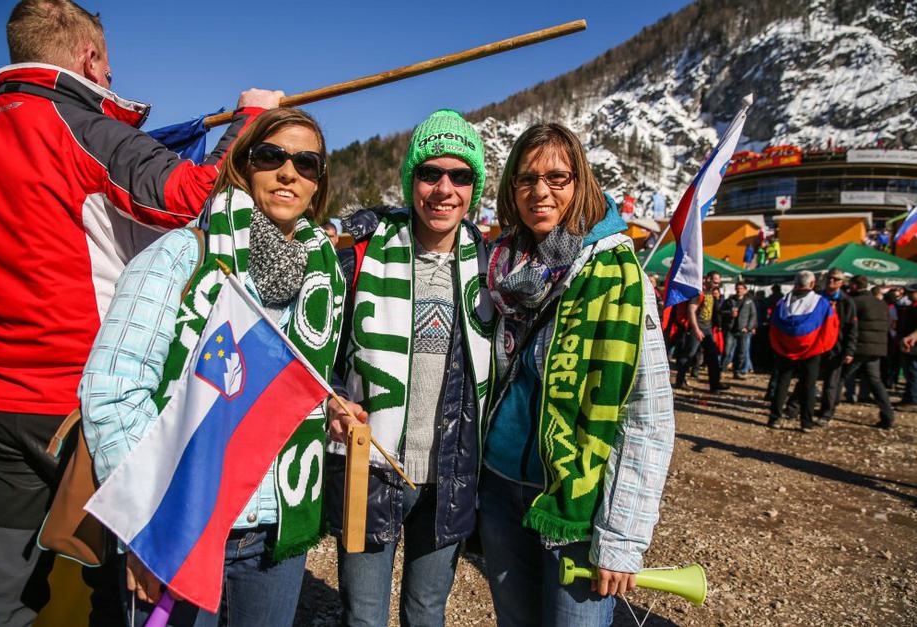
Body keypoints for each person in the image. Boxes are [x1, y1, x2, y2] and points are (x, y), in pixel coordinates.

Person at [0, 2, 282, 624]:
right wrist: (252, 122)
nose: (111, 79)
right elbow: (195, 199)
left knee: (0, 589)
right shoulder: (79, 127)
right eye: (109, 68)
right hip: (79, 406)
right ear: (89, 59)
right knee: (118, 585)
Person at [81, 107, 343, 625]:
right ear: (243, 166)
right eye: (271, 156)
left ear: (318, 184)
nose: (288, 173)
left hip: (275, 528)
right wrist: (147, 525)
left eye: (306, 164)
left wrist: (330, 404)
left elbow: (288, 381)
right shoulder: (182, 256)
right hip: (182, 522)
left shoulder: (324, 277)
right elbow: (111, 392)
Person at [478, 123, 674, 626]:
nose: (540, 191)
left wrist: (622, 539)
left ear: (580, 182)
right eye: (526, 179)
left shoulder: (618, 274)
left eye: (557, 178)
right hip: (500, 487)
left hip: (576, 505)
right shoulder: (502, 264)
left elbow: (648, 415)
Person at [324, 110, 494, 627]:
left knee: (426, 613)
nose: (444, 189)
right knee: (363, 615)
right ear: (410, 181)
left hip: (449, 473)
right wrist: (332, 397)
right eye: (430, 173)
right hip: (369, 463)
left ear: (474, 187)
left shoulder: (494, 268)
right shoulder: (360, 258)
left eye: (460, 175)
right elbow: (321, 353)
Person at [768, 271, 838, 431]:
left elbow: (774, 326)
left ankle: (775, 418)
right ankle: (806, 422)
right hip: (811, 349)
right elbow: (830, 326)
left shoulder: (783, 303)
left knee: (782, 382)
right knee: (809, 385)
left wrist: (779, 344)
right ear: (812, 284)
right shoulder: (821, 303)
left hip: (785, 348)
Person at [785, 268, 857, 425]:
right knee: (807, 378)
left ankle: (826, 413)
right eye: (829, 278)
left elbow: (851, 328)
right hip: (815, 344)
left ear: (842, 283)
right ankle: (793, 407)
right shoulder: (815, 297)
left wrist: (849, 350)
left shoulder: (847, 301)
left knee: (831, 383)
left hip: (836, 347)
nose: (831, 281)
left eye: (835, 279)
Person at [844, 275, 895, 429]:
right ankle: (888, 416)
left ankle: (827, 411)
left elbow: (848, 325)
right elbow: (887, 325)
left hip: (859, 347)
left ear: (854, 286)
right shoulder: (881, 304)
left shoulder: (855, 302)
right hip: (877, 348)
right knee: (876, 382)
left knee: (839, 377)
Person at [674, 271, 729, 392]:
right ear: (708, 279)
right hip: (697, 328)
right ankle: (680, 381)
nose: (717, 285)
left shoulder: (711, 292)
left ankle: (715, 384)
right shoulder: (699, 292)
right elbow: (691, 310)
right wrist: (696, 329)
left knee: (713, 357)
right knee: (689, 355)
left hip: (707, 329)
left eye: (718, 283)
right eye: (715, 282)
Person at [720, 282, 758, 379]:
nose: (739, 290)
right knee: (727, 351)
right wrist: (730, 313)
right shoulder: (729, 300)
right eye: (737, 288)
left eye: (741, 288)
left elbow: (753, 315)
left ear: (745, 290)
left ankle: (737, 371)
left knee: (741, 352)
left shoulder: (749, 302)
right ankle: (722, 370)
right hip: (731, 329)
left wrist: (748, 327)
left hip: (743, 330)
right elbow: (721, 312)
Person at [895, 283, 917, 411]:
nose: (908, 294)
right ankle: (908, 398)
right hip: (907, 345)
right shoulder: (910, 307)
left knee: (913, 373)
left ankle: (913, 400)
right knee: (909, 373)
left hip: (913, 346)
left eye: (911, 292)